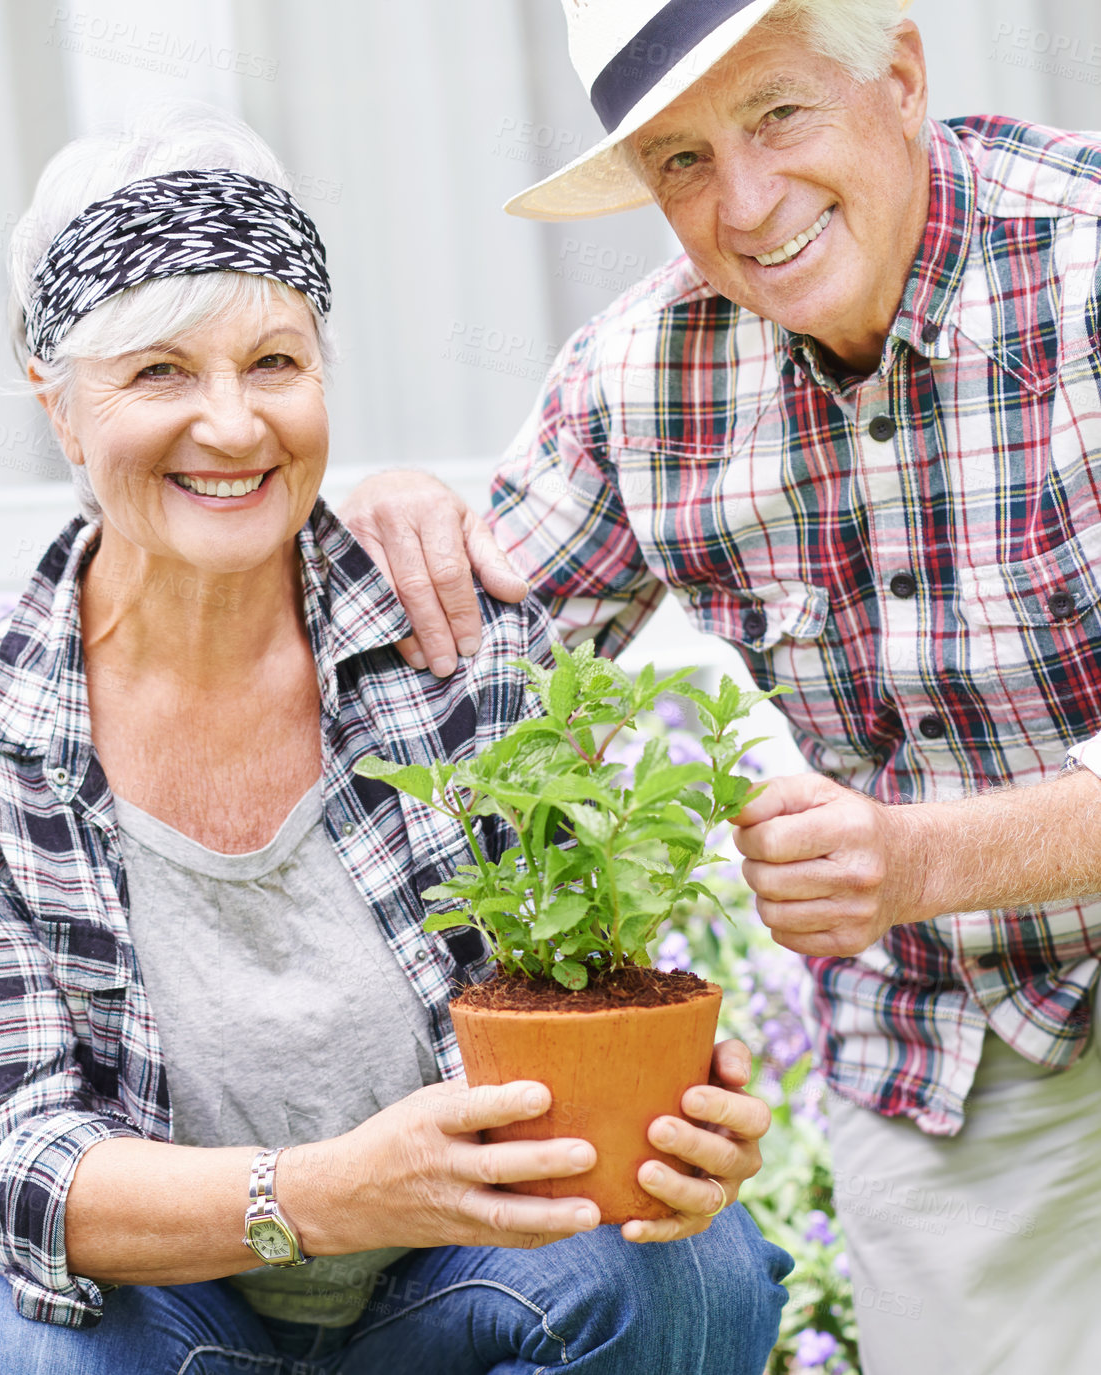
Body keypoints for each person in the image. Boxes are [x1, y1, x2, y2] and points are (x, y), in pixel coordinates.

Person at [0, 103, 790, 1375]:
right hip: (174, 1322)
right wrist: (321, 1192)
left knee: (684, 1268)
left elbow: (590, 993)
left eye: (273, 364)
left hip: (457, 1295)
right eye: (158, 374)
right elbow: (9, 1167)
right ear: (57, 402)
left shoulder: (451, 645)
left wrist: (685, 1117)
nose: (234, 426)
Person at [342, 1, 1101, 1371]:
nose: (745, 204)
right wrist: (374, 523)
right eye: (680, 160)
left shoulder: (1084, 266)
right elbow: (451, 678)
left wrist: (923, 855)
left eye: (778, 115)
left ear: (901, 74)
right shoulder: (643, 376)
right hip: (949, 1043)